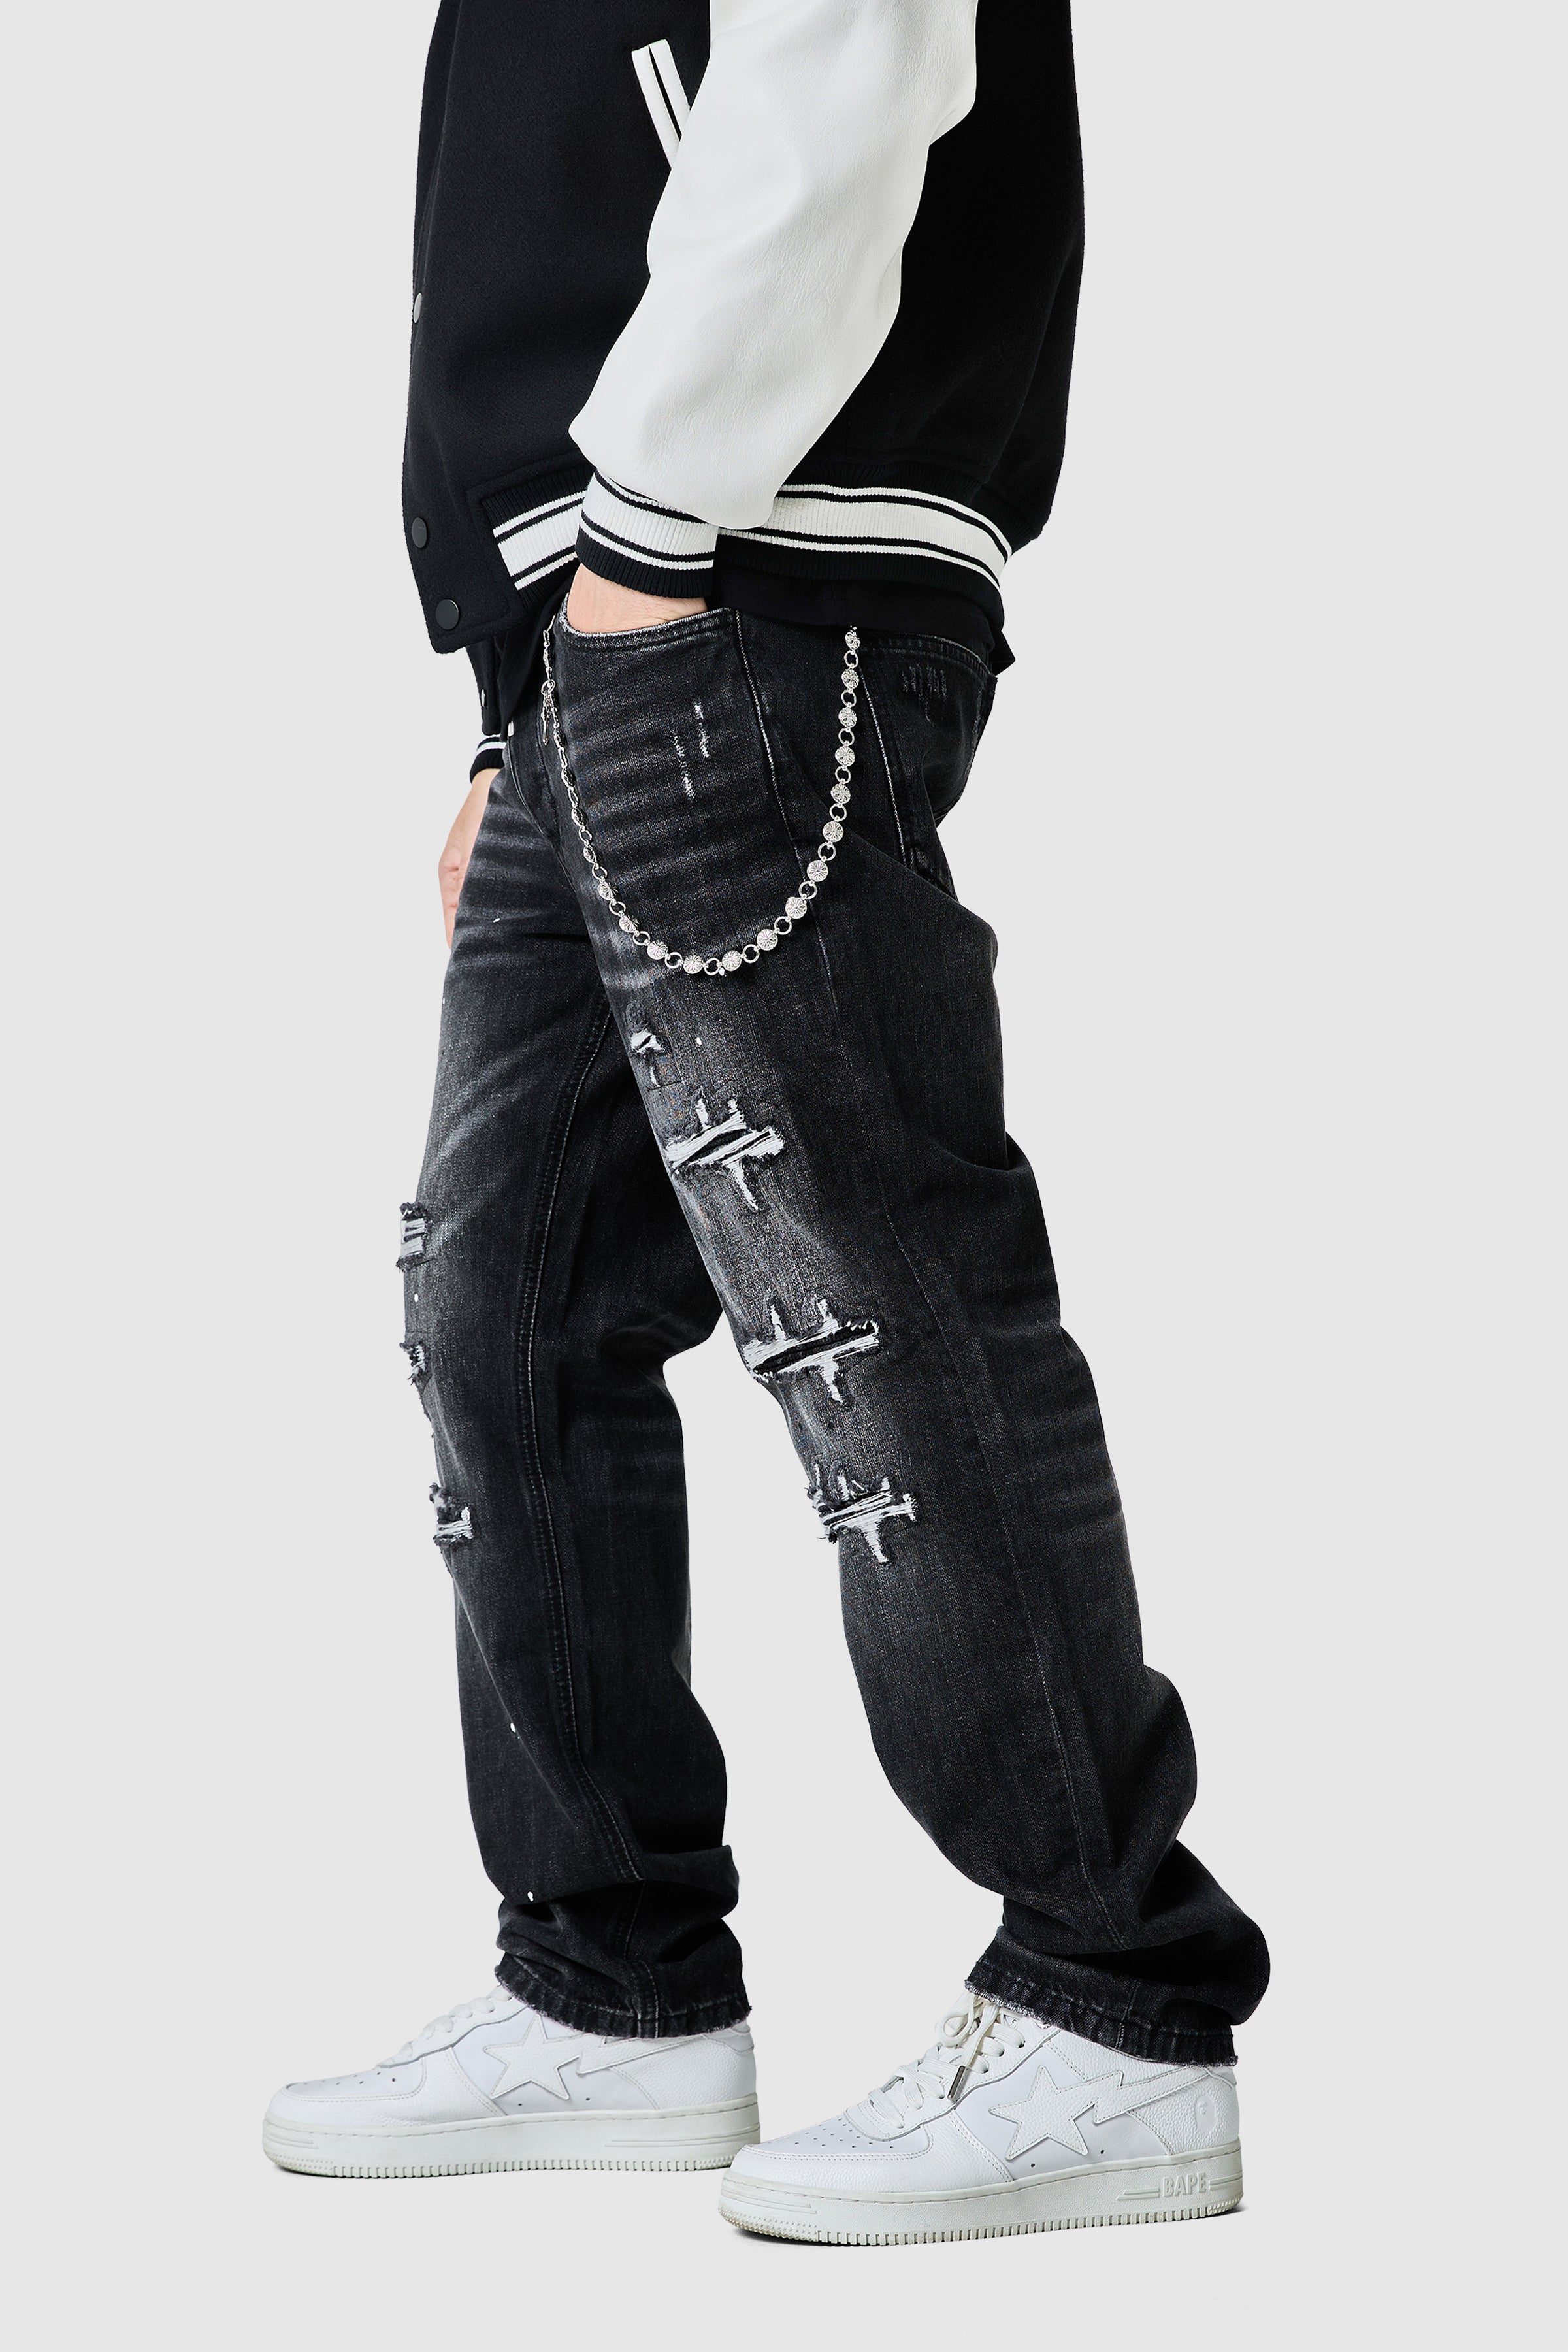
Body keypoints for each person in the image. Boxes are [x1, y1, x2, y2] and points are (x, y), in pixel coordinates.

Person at [263, 0, 1268, 2242]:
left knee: (867, 1289)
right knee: (501, 1307)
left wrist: (652, 526)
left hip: (742, 561)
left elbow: (851, 50)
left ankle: (1112, 1994)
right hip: (606, 615)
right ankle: (611, 1979)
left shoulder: (696, 530)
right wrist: (525, 683)